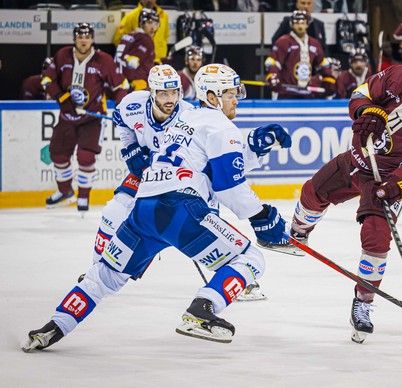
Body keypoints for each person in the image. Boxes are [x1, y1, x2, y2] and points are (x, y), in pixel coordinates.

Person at [22, 63, 293, 352]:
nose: (237, 98)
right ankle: (202, 310)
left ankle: (55, 325)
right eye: (230, 93)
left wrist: (253, 147)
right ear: (212, 97)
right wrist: (263, 217)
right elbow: (228, 187)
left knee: (106, 274)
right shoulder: (220, 125)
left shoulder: (182, 122)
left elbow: (208, 167)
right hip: (182, 210)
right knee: (251, 259)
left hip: (144, 210)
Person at [260, 56, 402, 344]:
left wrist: (394, 186)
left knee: (376, 239)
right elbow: (361, 92)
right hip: (355, 160)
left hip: (384, 181)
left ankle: (363, 302)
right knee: (312, 192)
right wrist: (367, 111)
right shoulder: (400, 76)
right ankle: (299, 232)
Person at [42, 23, 129, 212]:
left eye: (87, 36)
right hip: (67, 117)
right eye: (80, 36)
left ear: (92, 39)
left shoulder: (103, 60)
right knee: (57, 154)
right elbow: (47, 79)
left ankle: (83, 197)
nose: (83, 40)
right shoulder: (63, 55)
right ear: (75, 39)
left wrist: (121, 107)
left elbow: (121, 84)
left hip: (92, 118)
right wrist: (62, 98)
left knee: (86, 156)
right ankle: (65, 192)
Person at [265, 10, 335, 99]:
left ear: (307, 24)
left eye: (302, 22)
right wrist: (273, 77)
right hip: (287, 92)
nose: (300, 25)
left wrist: (328, 81)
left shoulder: (315, 44)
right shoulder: (283, 41)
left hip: (307, 92)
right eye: (296, 22)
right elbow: (273, 63)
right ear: (291, 24)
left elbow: (323, 66)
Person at [115, 8, 159, 91]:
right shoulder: (146, 39)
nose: (153, 27)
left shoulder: (128, 36)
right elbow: (132, 63)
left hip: (119, 84)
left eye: (155, 23)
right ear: (141, 23)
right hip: (136, 86)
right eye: (149, 23)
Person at [113, 0, 170, 64]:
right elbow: (119, 40)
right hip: (139, 64)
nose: (149, 0)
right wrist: (131, 57)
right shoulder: (131, 16)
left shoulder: (164, 15)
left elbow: (165, 36)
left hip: (159, 62)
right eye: (149, 23)